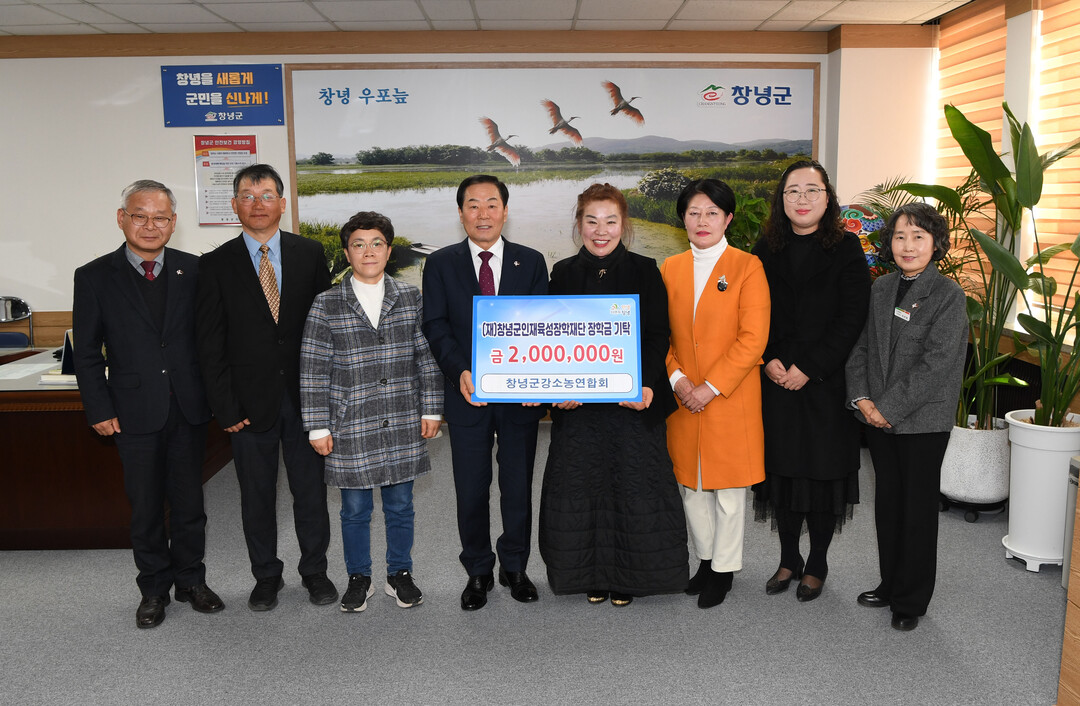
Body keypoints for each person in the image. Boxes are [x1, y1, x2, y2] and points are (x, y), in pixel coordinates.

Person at [73, 179, 223, 628]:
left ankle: (191, 581)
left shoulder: (195, 270)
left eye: (160, 217)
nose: (150, 225)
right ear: (122, 219)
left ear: (173, 223)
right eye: (140, 216)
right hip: (132, 411)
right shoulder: (94, 276)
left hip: (188, 408)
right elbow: (86, 352)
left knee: (190, 504)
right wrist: (99, 408)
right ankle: (154, 589)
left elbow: (211, 340)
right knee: (145, 506)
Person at [195, 163, 338, 611]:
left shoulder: (309, 253)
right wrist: (224, 406)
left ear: (282, 202)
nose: (258, 204)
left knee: (311, 493)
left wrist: (328, 398)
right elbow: (210, 343)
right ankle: (266, 576)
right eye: (248, 196)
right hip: (246, 405)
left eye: (267, 195)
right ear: (235, 204)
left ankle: (315, 572)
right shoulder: (214, 264)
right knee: (256, 496)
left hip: (305, 400)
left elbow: (327, 329)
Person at [538, 183, 688, 607]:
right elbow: (551, 338)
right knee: (581, 487)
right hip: (579, 407)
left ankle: (629, 576)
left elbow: (658, 335)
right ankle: (590, 573)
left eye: (610, 221)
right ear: (579, 225)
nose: (600, 231)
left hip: (632, 402)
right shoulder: (562, 273)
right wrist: (558, 390)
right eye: (592, 221)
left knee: (633, 485)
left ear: (624, 225)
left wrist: (646, 384)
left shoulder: (645, 269)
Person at [300, 211, 443, 613]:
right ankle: (358, 577)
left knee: (400, 505)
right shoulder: (327, 303)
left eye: (376, 243)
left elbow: (426, 358)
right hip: (350, 423)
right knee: (355, 510)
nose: (368, 251)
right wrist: (316, 426)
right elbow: (312, 368)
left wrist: (432, 408)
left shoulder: (411, 297)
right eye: (358, 244)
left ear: (389, 250)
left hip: (402, 418)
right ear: (347, 253)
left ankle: (400, 574)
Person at [421, 174, 548, 611]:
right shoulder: (441, 263)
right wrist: (460, 369)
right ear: (461, 213)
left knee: (517, 486)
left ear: (505, 211)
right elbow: (435, 324)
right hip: (467, 394)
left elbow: (542, 325)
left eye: (492, 204)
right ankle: (477, 570)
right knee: (471, 489)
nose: (483, 214)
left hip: (520, 397)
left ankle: (515, 566)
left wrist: (537, 379)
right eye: (473, 205)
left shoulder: (531, 262)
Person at [750, 160, 871, 602]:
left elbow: (852, 318)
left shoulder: (847, 247)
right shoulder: (765, 247)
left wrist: (810, 367)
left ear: (827, 197)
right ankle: (788, 559)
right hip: (776, 378)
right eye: (792, 191)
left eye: (811, 190)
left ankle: (817, 562)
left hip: (825, 383)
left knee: (822, 476)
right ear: (781, 200)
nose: (802, 199)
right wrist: (767, 358)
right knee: (781, 474)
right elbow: (751, 310)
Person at [846, 202, 967, 631]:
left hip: (922, 422)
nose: (908, 245)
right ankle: (890, 582)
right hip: (876, 415)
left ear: (936, 244)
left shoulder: (948, 295)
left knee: (916, 510)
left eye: (918, 236)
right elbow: (860, 347)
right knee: (888, 505)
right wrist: (862, 398)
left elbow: (937, 366)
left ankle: (911, 600)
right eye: (900, 236)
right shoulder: (881, 288)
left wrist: (886, 408)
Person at [661, 178, 771, 609]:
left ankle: (723, 570)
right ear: (683, 219)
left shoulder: (748, 266)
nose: (702, 221)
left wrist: (710, 386)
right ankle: (705, 561)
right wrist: (677, 379)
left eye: (712, 213)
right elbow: (659, 335)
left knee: (727, 490)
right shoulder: (670, 268)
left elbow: (753, 338)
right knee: (691, 486)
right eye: (693, 213)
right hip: (683, 396)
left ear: (727, 219)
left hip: (729, 395)